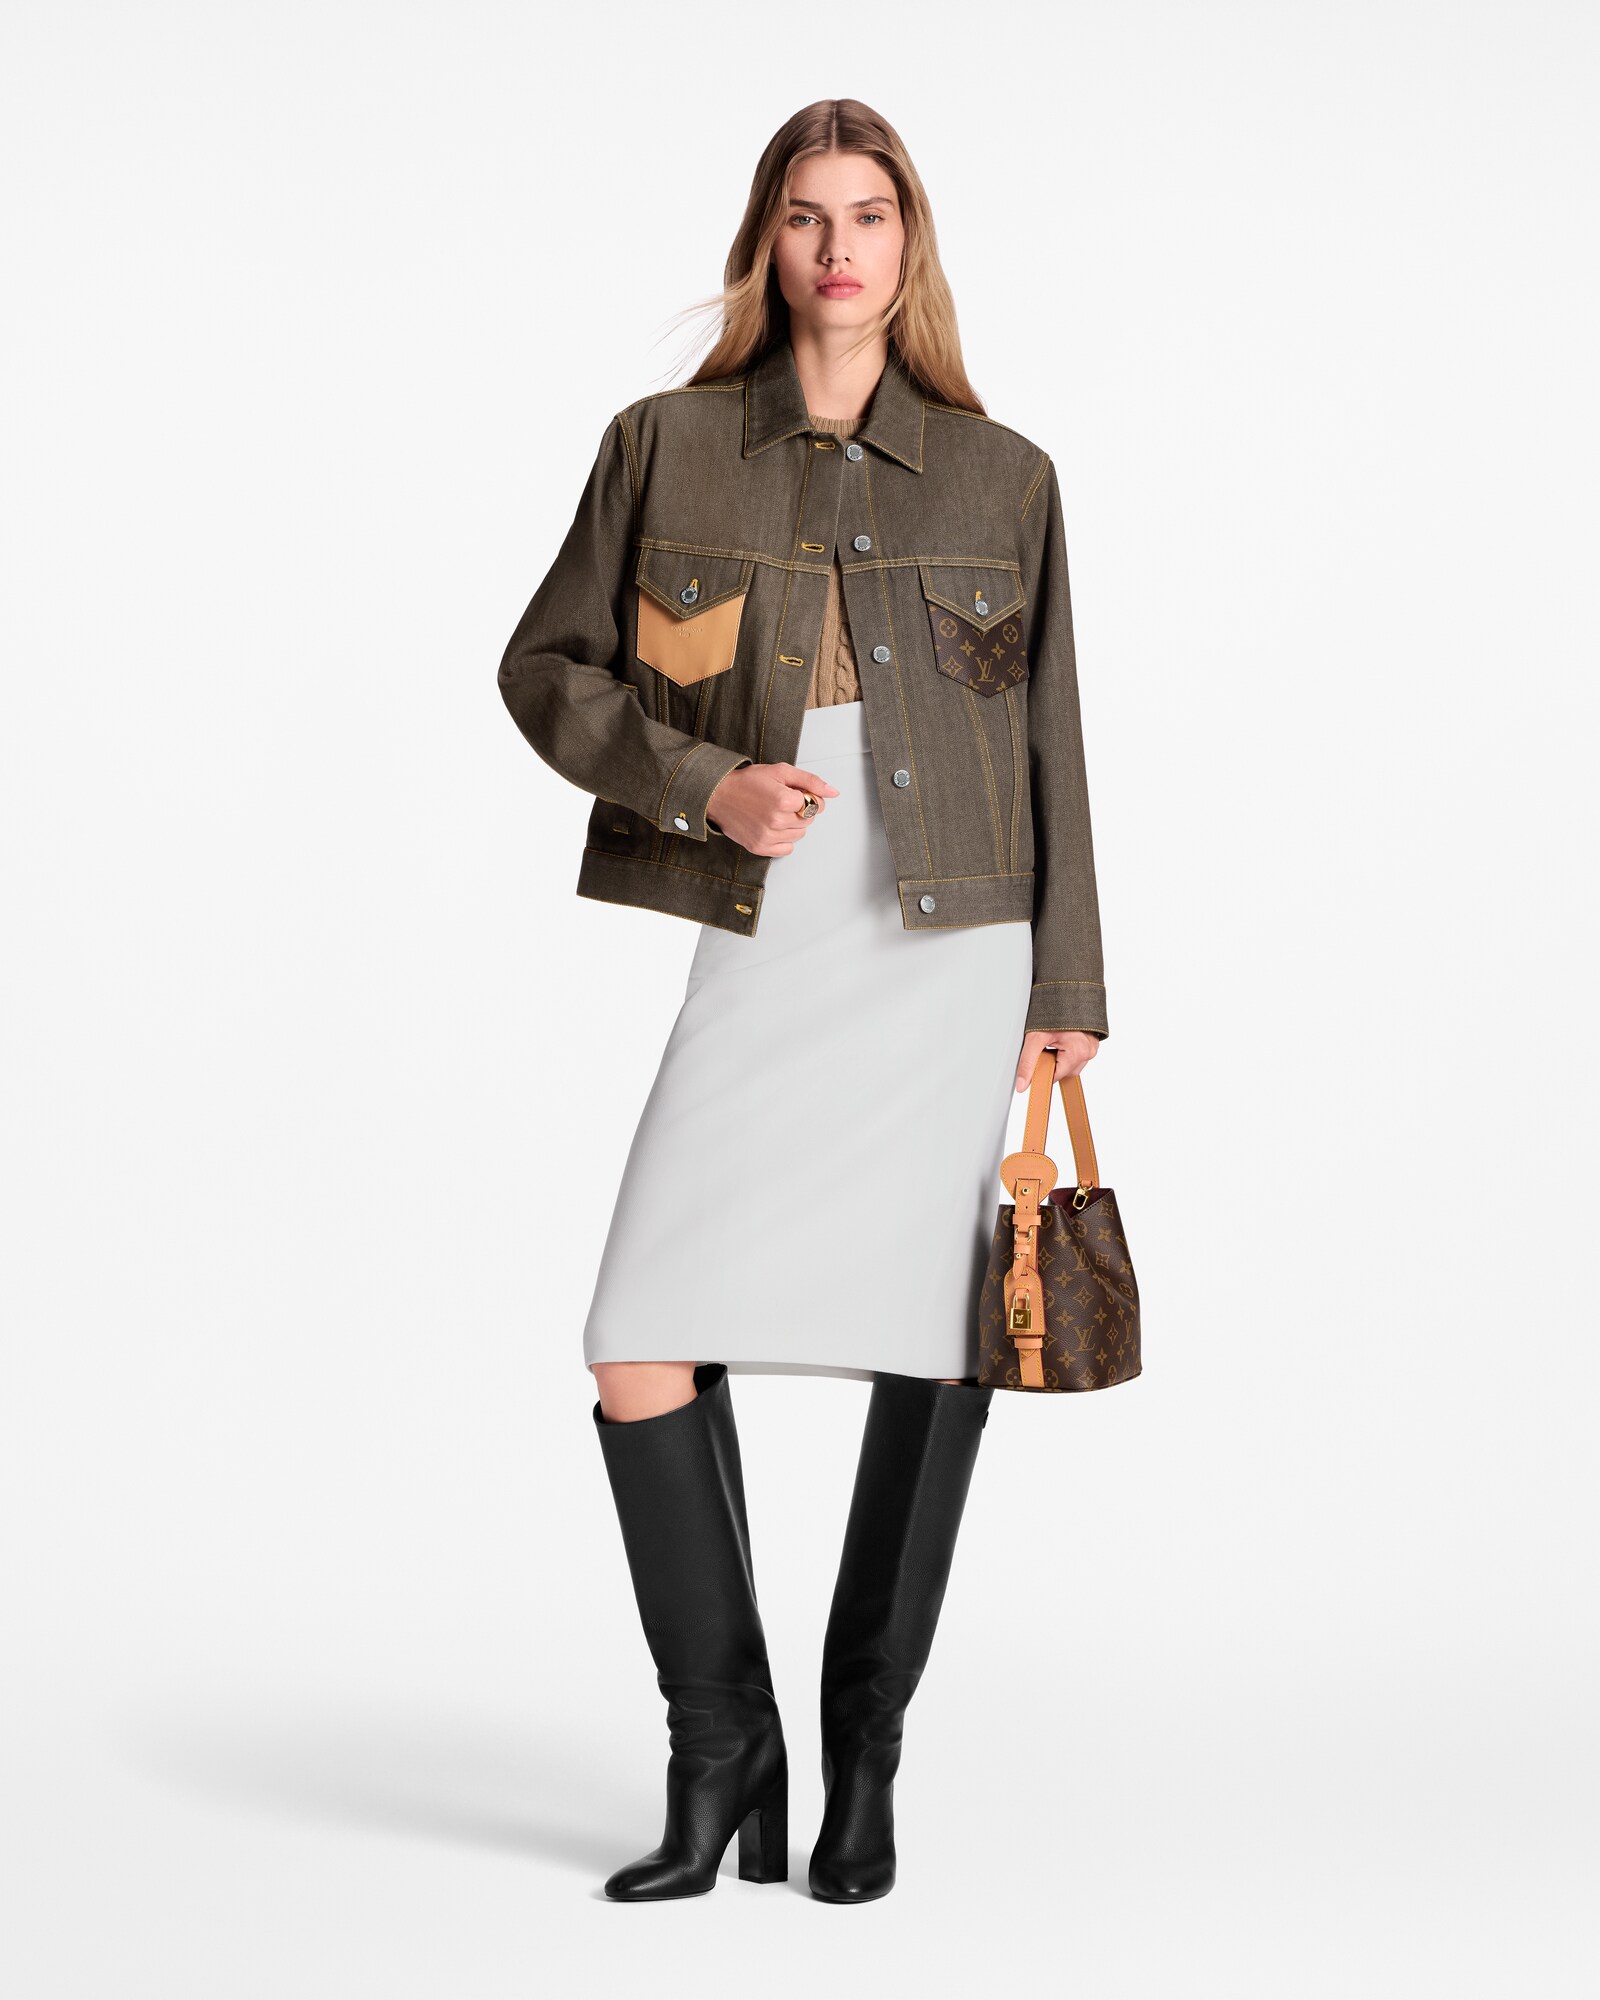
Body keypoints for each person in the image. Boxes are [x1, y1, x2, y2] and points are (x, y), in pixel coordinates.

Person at [496, 99, 1110, 1903]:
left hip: (955, 940)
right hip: (767, 919)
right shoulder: (664, 444)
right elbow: (545, 669)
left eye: (871, 215)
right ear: (766, 242)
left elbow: (1053, 736)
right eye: (806, 216)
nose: (839, 249)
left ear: (911, 246)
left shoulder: (1004, 474)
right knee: (638, 1338)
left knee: (935, 1338)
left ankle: (865, 1760)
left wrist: (1069, 978)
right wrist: (705, 785)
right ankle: (723, 1748)